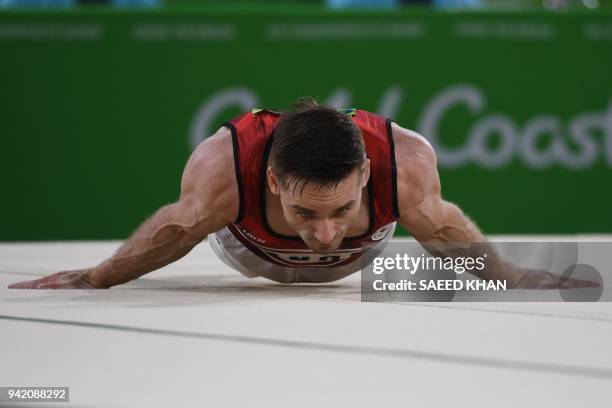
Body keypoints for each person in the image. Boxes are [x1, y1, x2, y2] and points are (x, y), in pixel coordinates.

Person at [8, 99, 596, 289]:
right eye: (303, 212)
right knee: (195, 220)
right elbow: (175, 230)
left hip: (361, 260)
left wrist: (518, 278)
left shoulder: (405, 160)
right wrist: (94, 277)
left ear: (367, 173)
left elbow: (443, 232)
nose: (322, 235)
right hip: (247, 253)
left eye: (341, 209)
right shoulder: (225, 166)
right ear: (270, 181)